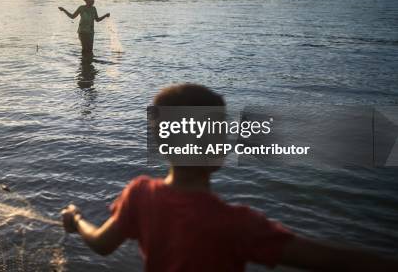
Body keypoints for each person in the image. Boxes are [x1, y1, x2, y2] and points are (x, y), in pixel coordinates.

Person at [60, 83, 398, 271]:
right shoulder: (238, 224)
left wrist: (76, 220)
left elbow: (103, 245)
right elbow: (328, 259)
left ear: (162, 143)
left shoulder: (140, 194)